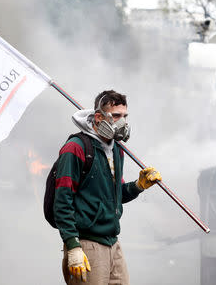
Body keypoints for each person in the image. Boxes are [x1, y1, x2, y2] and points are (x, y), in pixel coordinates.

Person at [54, 90, 162, 284]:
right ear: (98, 116)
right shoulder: (75, 148)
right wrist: (73, 246)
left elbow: (113, 195)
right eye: (116, 116)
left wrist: (138, 186)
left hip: (113, 242)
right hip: (87, 245)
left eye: (125, 116)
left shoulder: (116, 149)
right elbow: (62, 201)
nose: (122, 122)